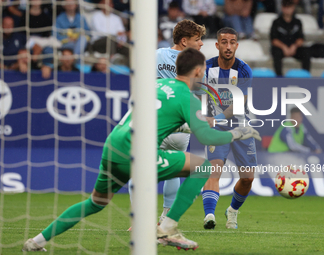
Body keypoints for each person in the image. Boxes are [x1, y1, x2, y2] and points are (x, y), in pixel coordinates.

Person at [22, 48, 261, 252]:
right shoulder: (185, 96)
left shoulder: (158, 85)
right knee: (202, 167)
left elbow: (161, 117)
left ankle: (35, 241)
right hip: (136, 152)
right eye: (203, 73)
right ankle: (168, 228)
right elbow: (208, 137)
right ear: (198, 71)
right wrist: (238, 133)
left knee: (96, 202)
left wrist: (196, 123)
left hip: (114, 144)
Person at [128, 19, 206, 230]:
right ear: (184, 41)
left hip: (157, 122)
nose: (201, 44)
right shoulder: (197, 64)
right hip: (180, 125)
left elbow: (141, 81)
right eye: (197, 40)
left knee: (140, 170)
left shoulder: (156, 55)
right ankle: (166, 219)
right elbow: (199, 95)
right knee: (174, 169)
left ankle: (138, 220)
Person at [199, 27, 256, 230]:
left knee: (248, 178)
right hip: (216, 129)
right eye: (224, 42)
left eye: (232, 42)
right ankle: (209, 216)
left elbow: (238, 103)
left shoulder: (243, 70)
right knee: (214, 170)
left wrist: (217, 117)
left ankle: (232, 211)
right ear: (217, 45)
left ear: (237, 45)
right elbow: (194, 93)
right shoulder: (205, 68)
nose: (228, 46)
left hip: (240, 126)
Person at [270, 0, 311, 76]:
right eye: (285, 7)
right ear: (282, 8)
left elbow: (301, 38)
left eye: (289, 7)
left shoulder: (297, 22)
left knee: (306, 52)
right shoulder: (276, 22)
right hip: (281, 48)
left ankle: (305, 75)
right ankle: (279, 77)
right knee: (276, 52)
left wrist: (294, 46)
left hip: (294, 48)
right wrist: (284, 47)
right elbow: (274, 39)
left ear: (293, 8)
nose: (287, 10)